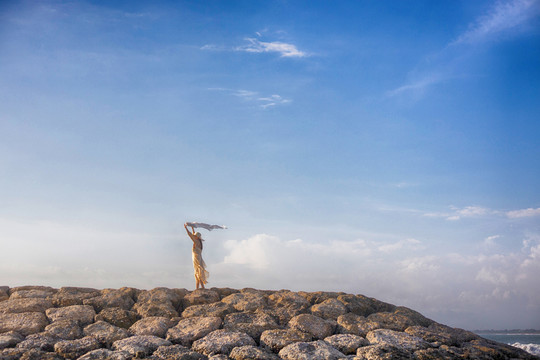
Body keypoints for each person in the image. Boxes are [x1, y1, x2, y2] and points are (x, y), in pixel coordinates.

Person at [184, 223, 209, 289]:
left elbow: (190, 235)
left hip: (196, 258)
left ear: (197, 237)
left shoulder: (196, 241)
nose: (194, 236)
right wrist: (192, 228)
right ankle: (197, 288)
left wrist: (185, 228)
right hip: (198, 258)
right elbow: (193, 234)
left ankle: (202, 288)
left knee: (198, 272)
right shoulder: (199, 241)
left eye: (195, 236)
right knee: (197, 272)